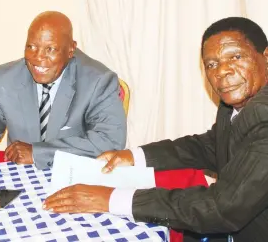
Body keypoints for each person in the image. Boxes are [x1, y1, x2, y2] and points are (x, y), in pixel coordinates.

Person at [44, 16, 268, 241]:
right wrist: (134, 156)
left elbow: (222, 209)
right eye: (212, 64)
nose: (222, 71)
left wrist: (112, 199)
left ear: (265, 56)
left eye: (236, 57)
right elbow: (211, 145)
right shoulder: (237, 104)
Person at [0, 11, 126, 169]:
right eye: (31, 47)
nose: (38, 58)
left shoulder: (97, 81)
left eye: (50, 49)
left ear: (71, 49)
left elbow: (109, 140)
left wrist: (38, 153)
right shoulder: (5, 79)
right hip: (20, 180)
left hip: (75, 180)